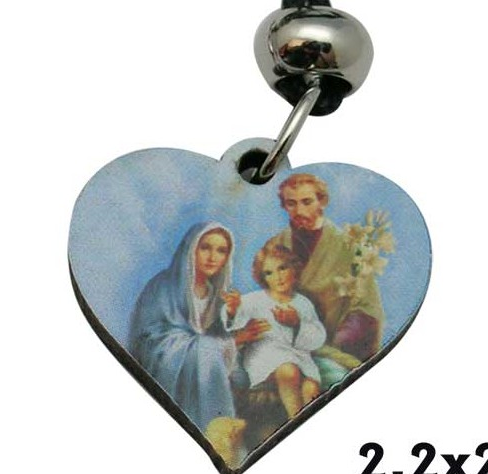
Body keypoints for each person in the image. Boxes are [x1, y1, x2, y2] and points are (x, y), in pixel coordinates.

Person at [128, 222, 266, 435]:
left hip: (207, 371)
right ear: (191, 249)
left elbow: (216, 339)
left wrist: (233, 317)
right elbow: (152, 342)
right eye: (205, 247)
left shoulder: (217, 294)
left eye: (221, 251)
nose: (212, 257)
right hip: (169, 371)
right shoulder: (164, 286)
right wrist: (235, 340)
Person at [274, 173, 383, 363]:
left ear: (322, 202)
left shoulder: (349, 246)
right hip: (286, 343)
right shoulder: (276, 245)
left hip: (332, 347)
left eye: (307, 202)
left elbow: (367, 307)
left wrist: (342, 342)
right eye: (291, 203)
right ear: (284, 206)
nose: (299, 210)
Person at [223, 241, 326, 419]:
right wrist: (232, 310)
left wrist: (296, 324)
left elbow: (318, 337)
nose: (278, 277)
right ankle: (296, 420)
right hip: (265, 358)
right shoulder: (253, 300)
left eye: (282, 268)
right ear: (263, 278)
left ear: (294, 269)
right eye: (269, 273)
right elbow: (234, 323)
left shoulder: (303, 303)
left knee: (311, 387)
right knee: (288, 371)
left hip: (300, 358)